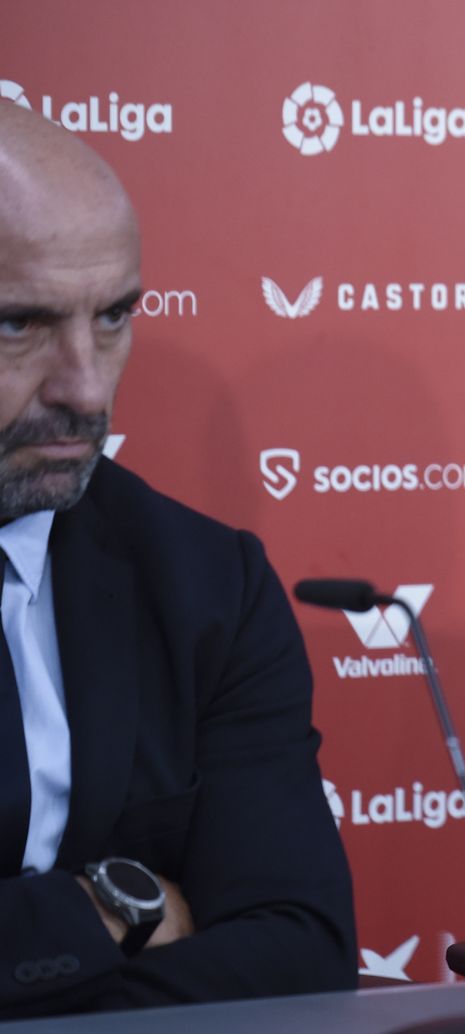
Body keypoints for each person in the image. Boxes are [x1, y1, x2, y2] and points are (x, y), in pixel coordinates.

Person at [0, 103, 355, 1014]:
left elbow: (300, 949)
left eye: (114, 315)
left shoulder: (204, 582)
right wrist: (114, 912)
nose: (84, 385)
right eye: (18, 327)